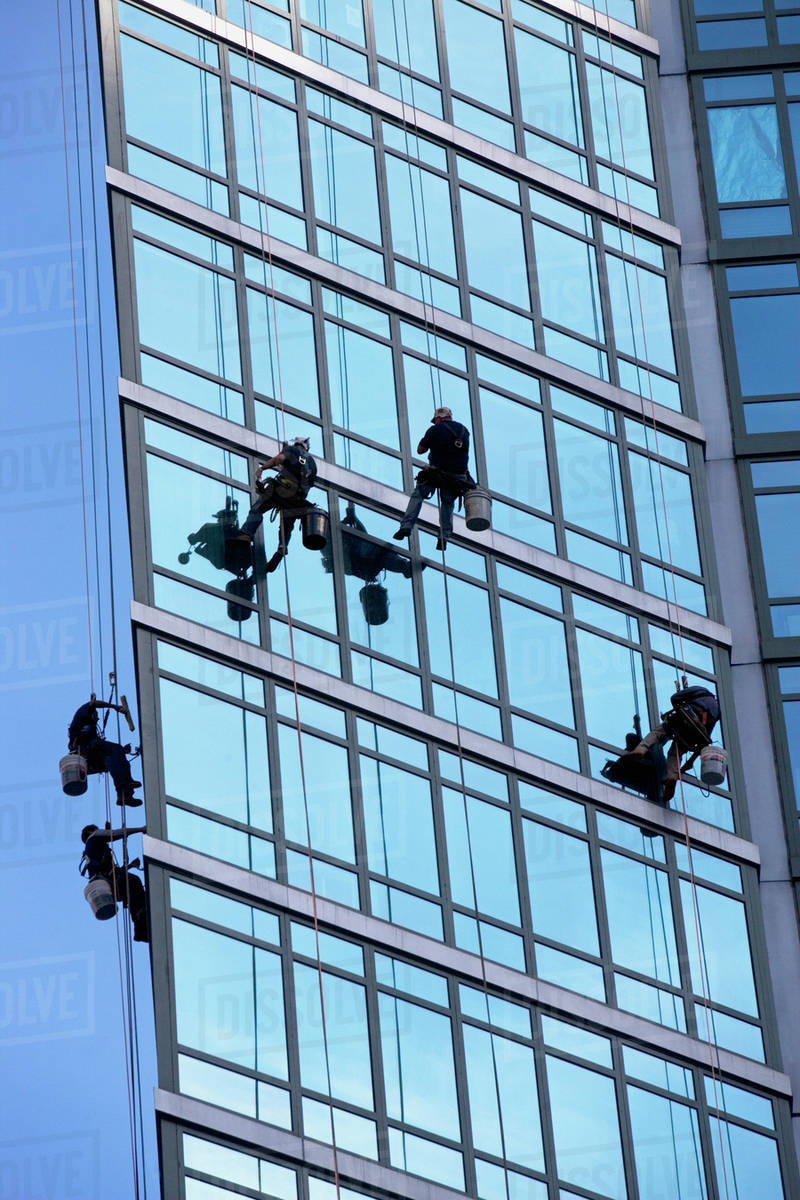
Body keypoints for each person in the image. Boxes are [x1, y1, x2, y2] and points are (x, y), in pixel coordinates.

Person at [618, 684, 720, 803]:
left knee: (659, 732)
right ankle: (672, 775)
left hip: (687, 716)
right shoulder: (716, 712)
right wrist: (690, 762)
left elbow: (675, 697)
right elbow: (705, 740)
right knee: (676, 751)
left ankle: (641, 749)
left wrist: (677, 709)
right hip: (695, 733)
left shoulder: (701, 691)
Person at [393, 407, 474, 549]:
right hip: (457, 477)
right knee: (447, 503)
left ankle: (406, 526)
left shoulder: (435, 430)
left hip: (438, 472)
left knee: (418, 495)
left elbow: (420, 450)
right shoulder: (464, 431)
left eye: (435, 420)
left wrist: (431, 441)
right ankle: (444, 536)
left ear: (438, 418)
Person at [238, 436, 319, 572]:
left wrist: (263, 467)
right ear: (307, 448)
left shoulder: (292, 450)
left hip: (282, 490)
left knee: (258, 508)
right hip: (298, 500)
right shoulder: (312, 463)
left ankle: (246, 534)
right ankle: (282, 548)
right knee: (287, 525)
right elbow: (309, 481)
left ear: (297, 444)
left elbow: (280, 459)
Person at [68, 695, 141, 807]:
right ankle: (124, 785)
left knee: (118, 760)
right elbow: (94, 703)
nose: (97, 719)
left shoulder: (89, 729)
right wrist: (114, 706)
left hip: (92, 755)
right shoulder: (82, 715)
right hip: (85, 751)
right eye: (96, 717)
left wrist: (122, 751)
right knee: (115, 749)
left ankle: (125, 795)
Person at [80, 823, 148, 942]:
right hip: (106, 883)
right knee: (133, 882)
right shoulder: (94, 836)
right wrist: (141, 829)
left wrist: (130, 866)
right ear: (91, 832)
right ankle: (141, 922)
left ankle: (140, 929)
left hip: (105, 885)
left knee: (130, 887)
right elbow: (116, 834)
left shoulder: (93, 851)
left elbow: (111, 871)